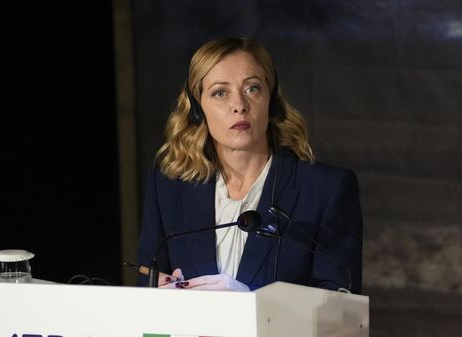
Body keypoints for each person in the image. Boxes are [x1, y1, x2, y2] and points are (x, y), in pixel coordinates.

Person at [137, 37, 363, 293]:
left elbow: (341, 312)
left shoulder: (325, 189)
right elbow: (148, 279)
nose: (239, 106)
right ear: (198, 109)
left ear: (272, 100)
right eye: (220, 93)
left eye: (252, 88)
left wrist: (253, 305)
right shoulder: (169, 185)